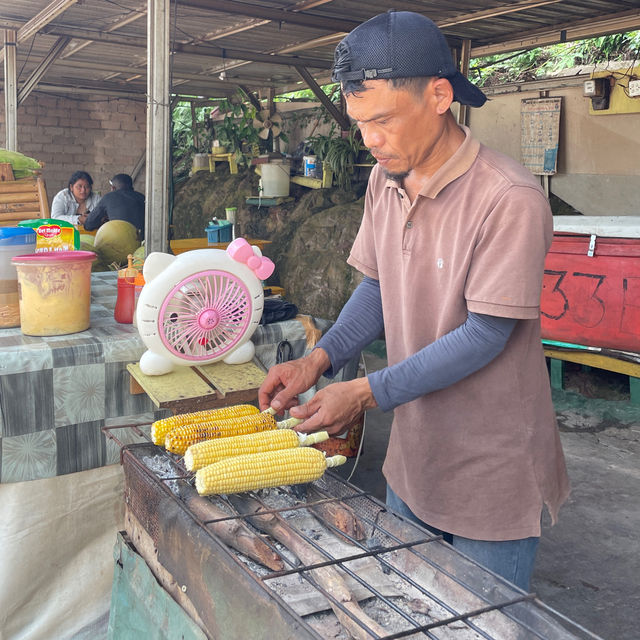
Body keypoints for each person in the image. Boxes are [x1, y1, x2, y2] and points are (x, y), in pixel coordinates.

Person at [259, 11, 570, 592]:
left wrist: (364, 392)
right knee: (403, 607)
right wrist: (319, 360)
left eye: (383, 120)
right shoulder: (385, 178)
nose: (370, 140)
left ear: (439, 95)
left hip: (491, 469)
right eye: (359, 124)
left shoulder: (510, 199)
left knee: (480, 623)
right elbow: (379, 287)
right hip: (413, 456)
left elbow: (486, 334)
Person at [83, 173, 145, 239]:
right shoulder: (142, 197)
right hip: (143, 243)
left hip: (119, 243)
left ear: (113, 188)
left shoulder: (108, 197)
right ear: (132, 188)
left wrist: (101, 219)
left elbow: (89, 225)